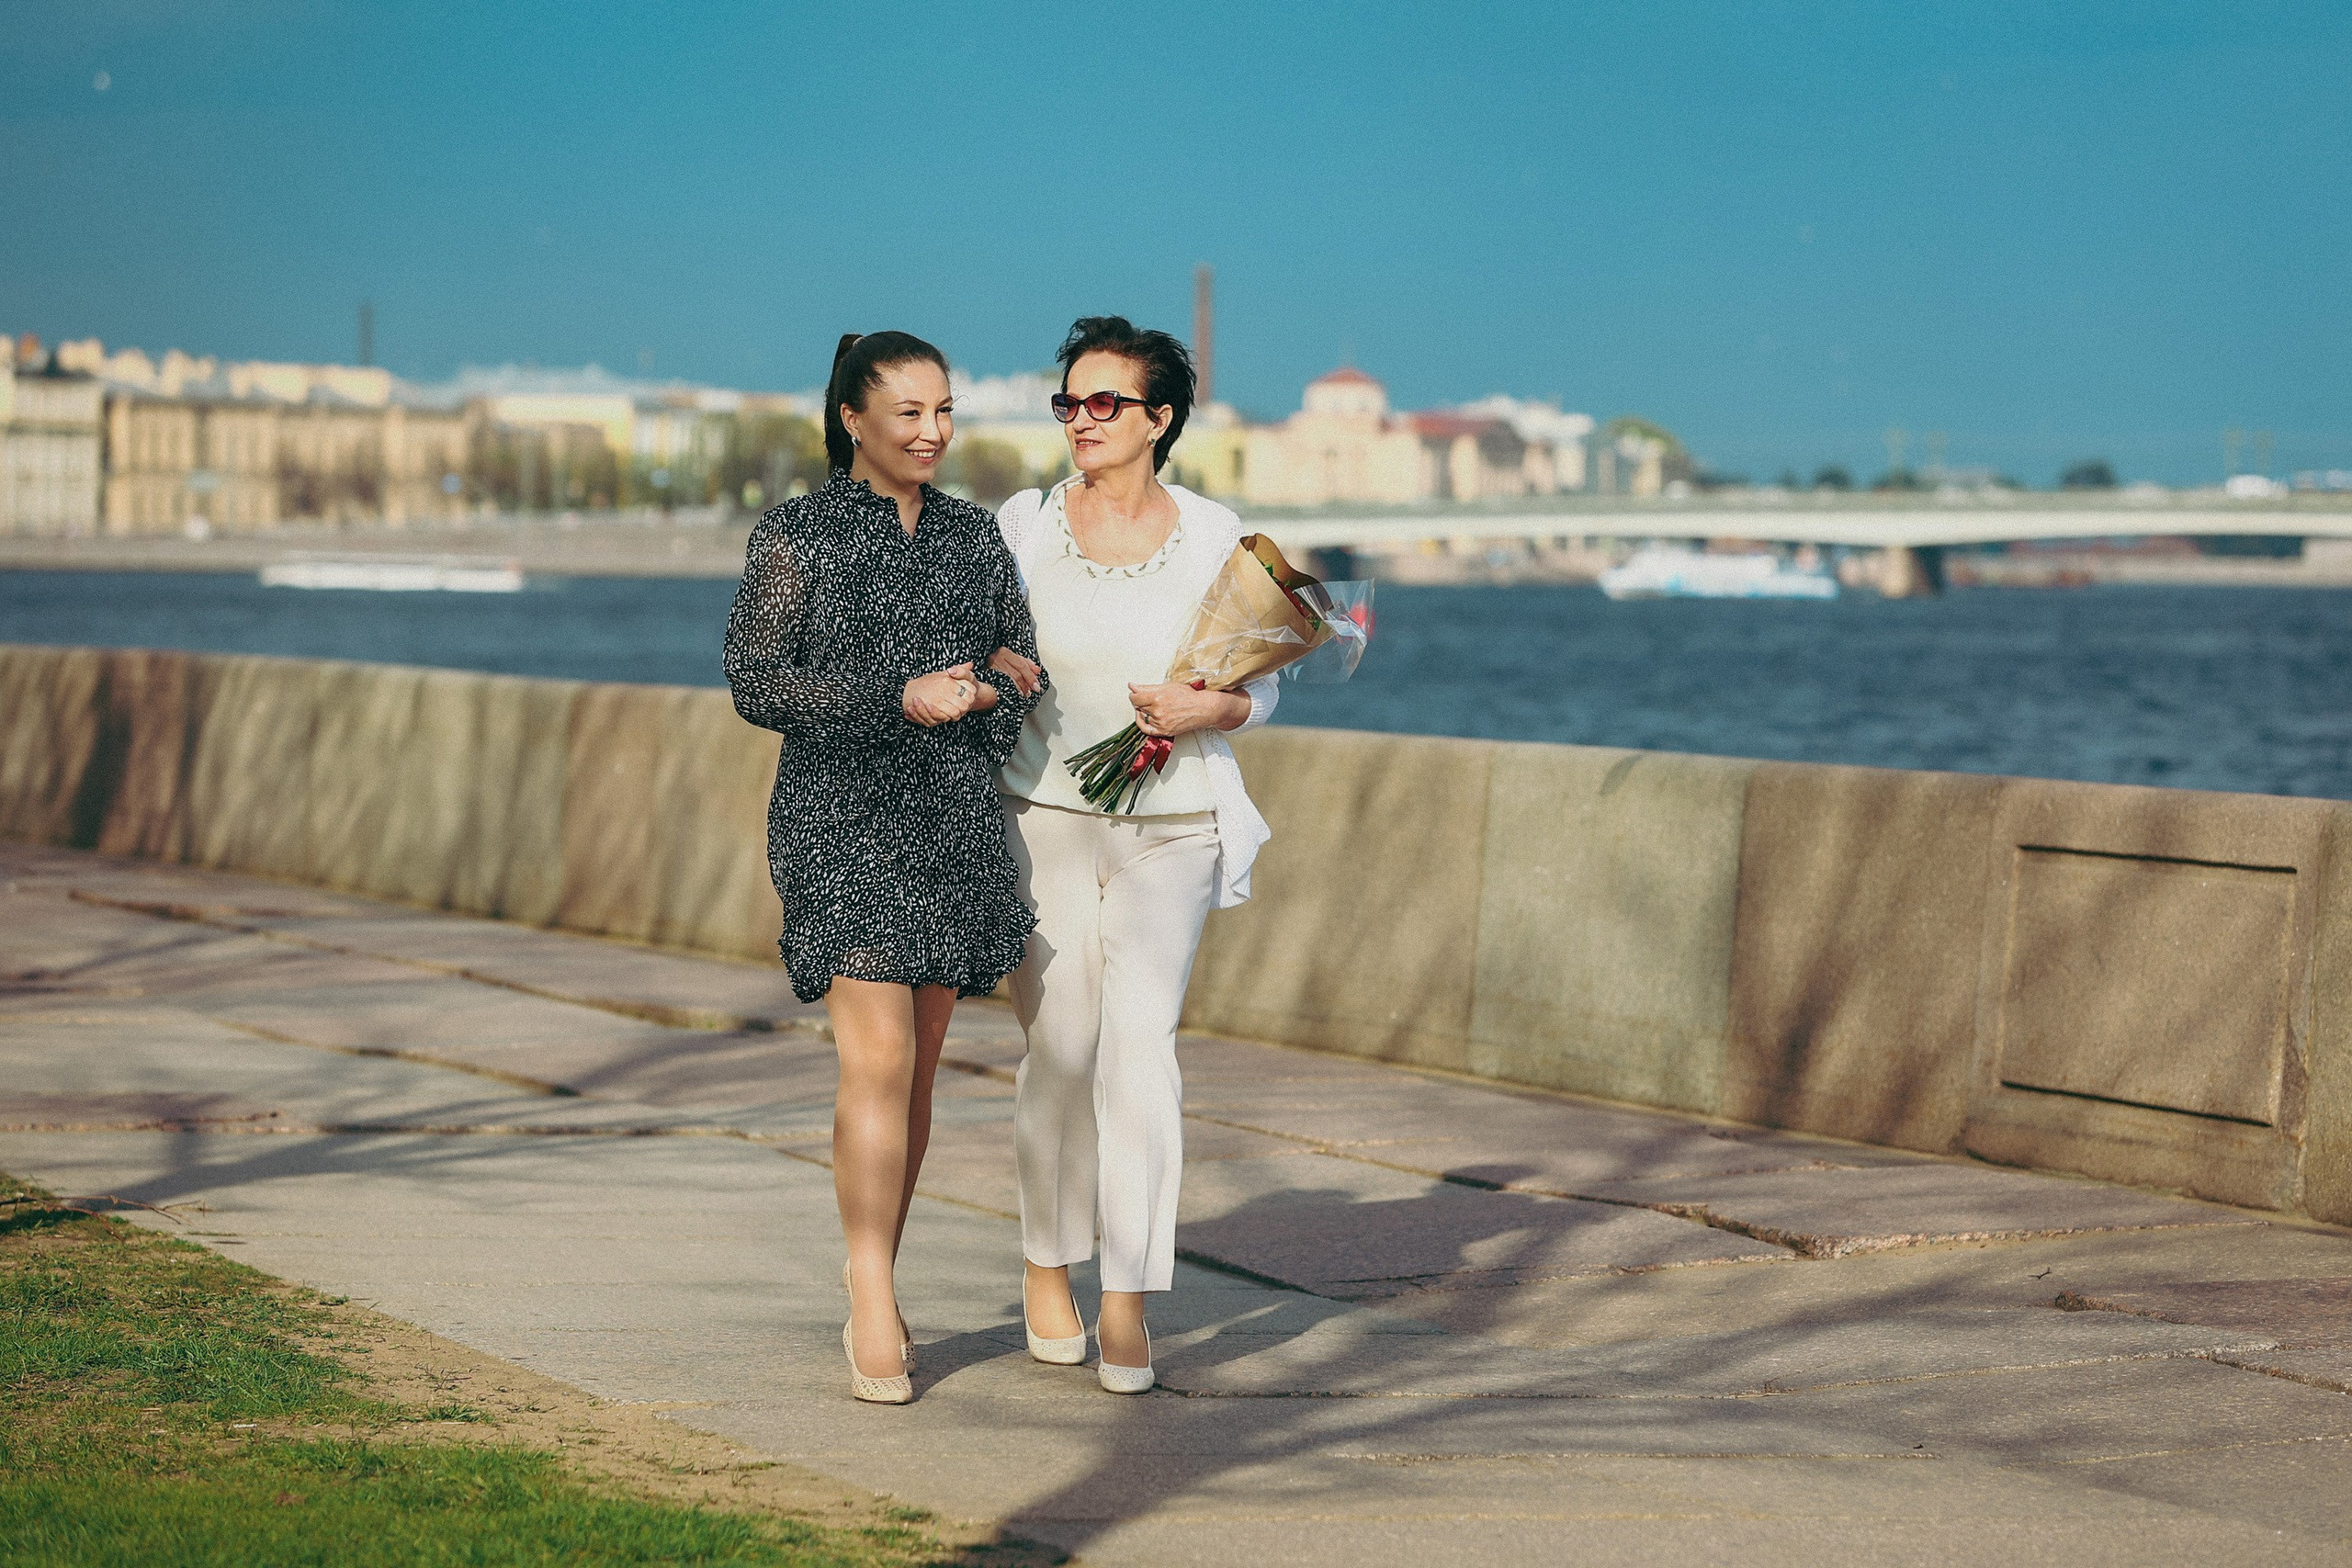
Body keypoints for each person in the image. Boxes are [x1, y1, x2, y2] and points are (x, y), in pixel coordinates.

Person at [723, 331, 1044, 1404]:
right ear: (853, 419)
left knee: (920, 1069)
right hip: (838, 818)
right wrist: (891, 696)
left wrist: (1001, 683)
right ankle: (872, 1293)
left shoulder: (972, 537)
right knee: (878, 1059)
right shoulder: (796, 534)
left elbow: (1019, 658)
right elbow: (756, 682)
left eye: (944, 410)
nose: (932, 432)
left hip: (950, 820)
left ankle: (878, 1265)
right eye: (908, 412)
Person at [990, 316, 1279, 1393]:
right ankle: (1043, 1268)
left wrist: (1213, 704)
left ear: (1159, 420)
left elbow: (1260, 680)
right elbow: (978, 641)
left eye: (1105, 402)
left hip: (1176, 823)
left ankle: (1126, 1301)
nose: (1081, 419)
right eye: (1069, 400)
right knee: (1059, 1049)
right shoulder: (1021, 525)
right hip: (1042, 817)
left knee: (1140, 1050)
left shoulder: (1215, 535)